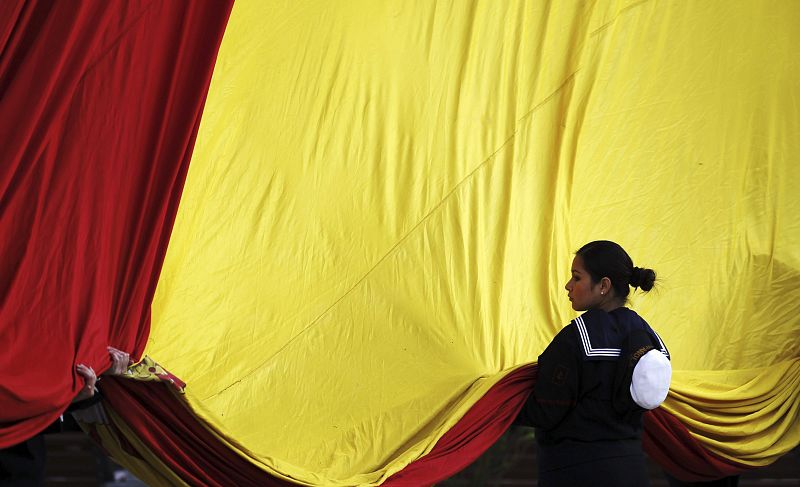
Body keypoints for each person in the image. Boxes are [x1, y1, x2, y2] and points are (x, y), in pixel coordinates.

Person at [514, 240, 671, 487]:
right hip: (632, 472)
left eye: (576, 278)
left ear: (603, 286)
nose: (568, 286)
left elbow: (546, 411)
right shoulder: (651, 339)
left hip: (575, 472)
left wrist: (497, 399)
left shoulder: (575, 339)